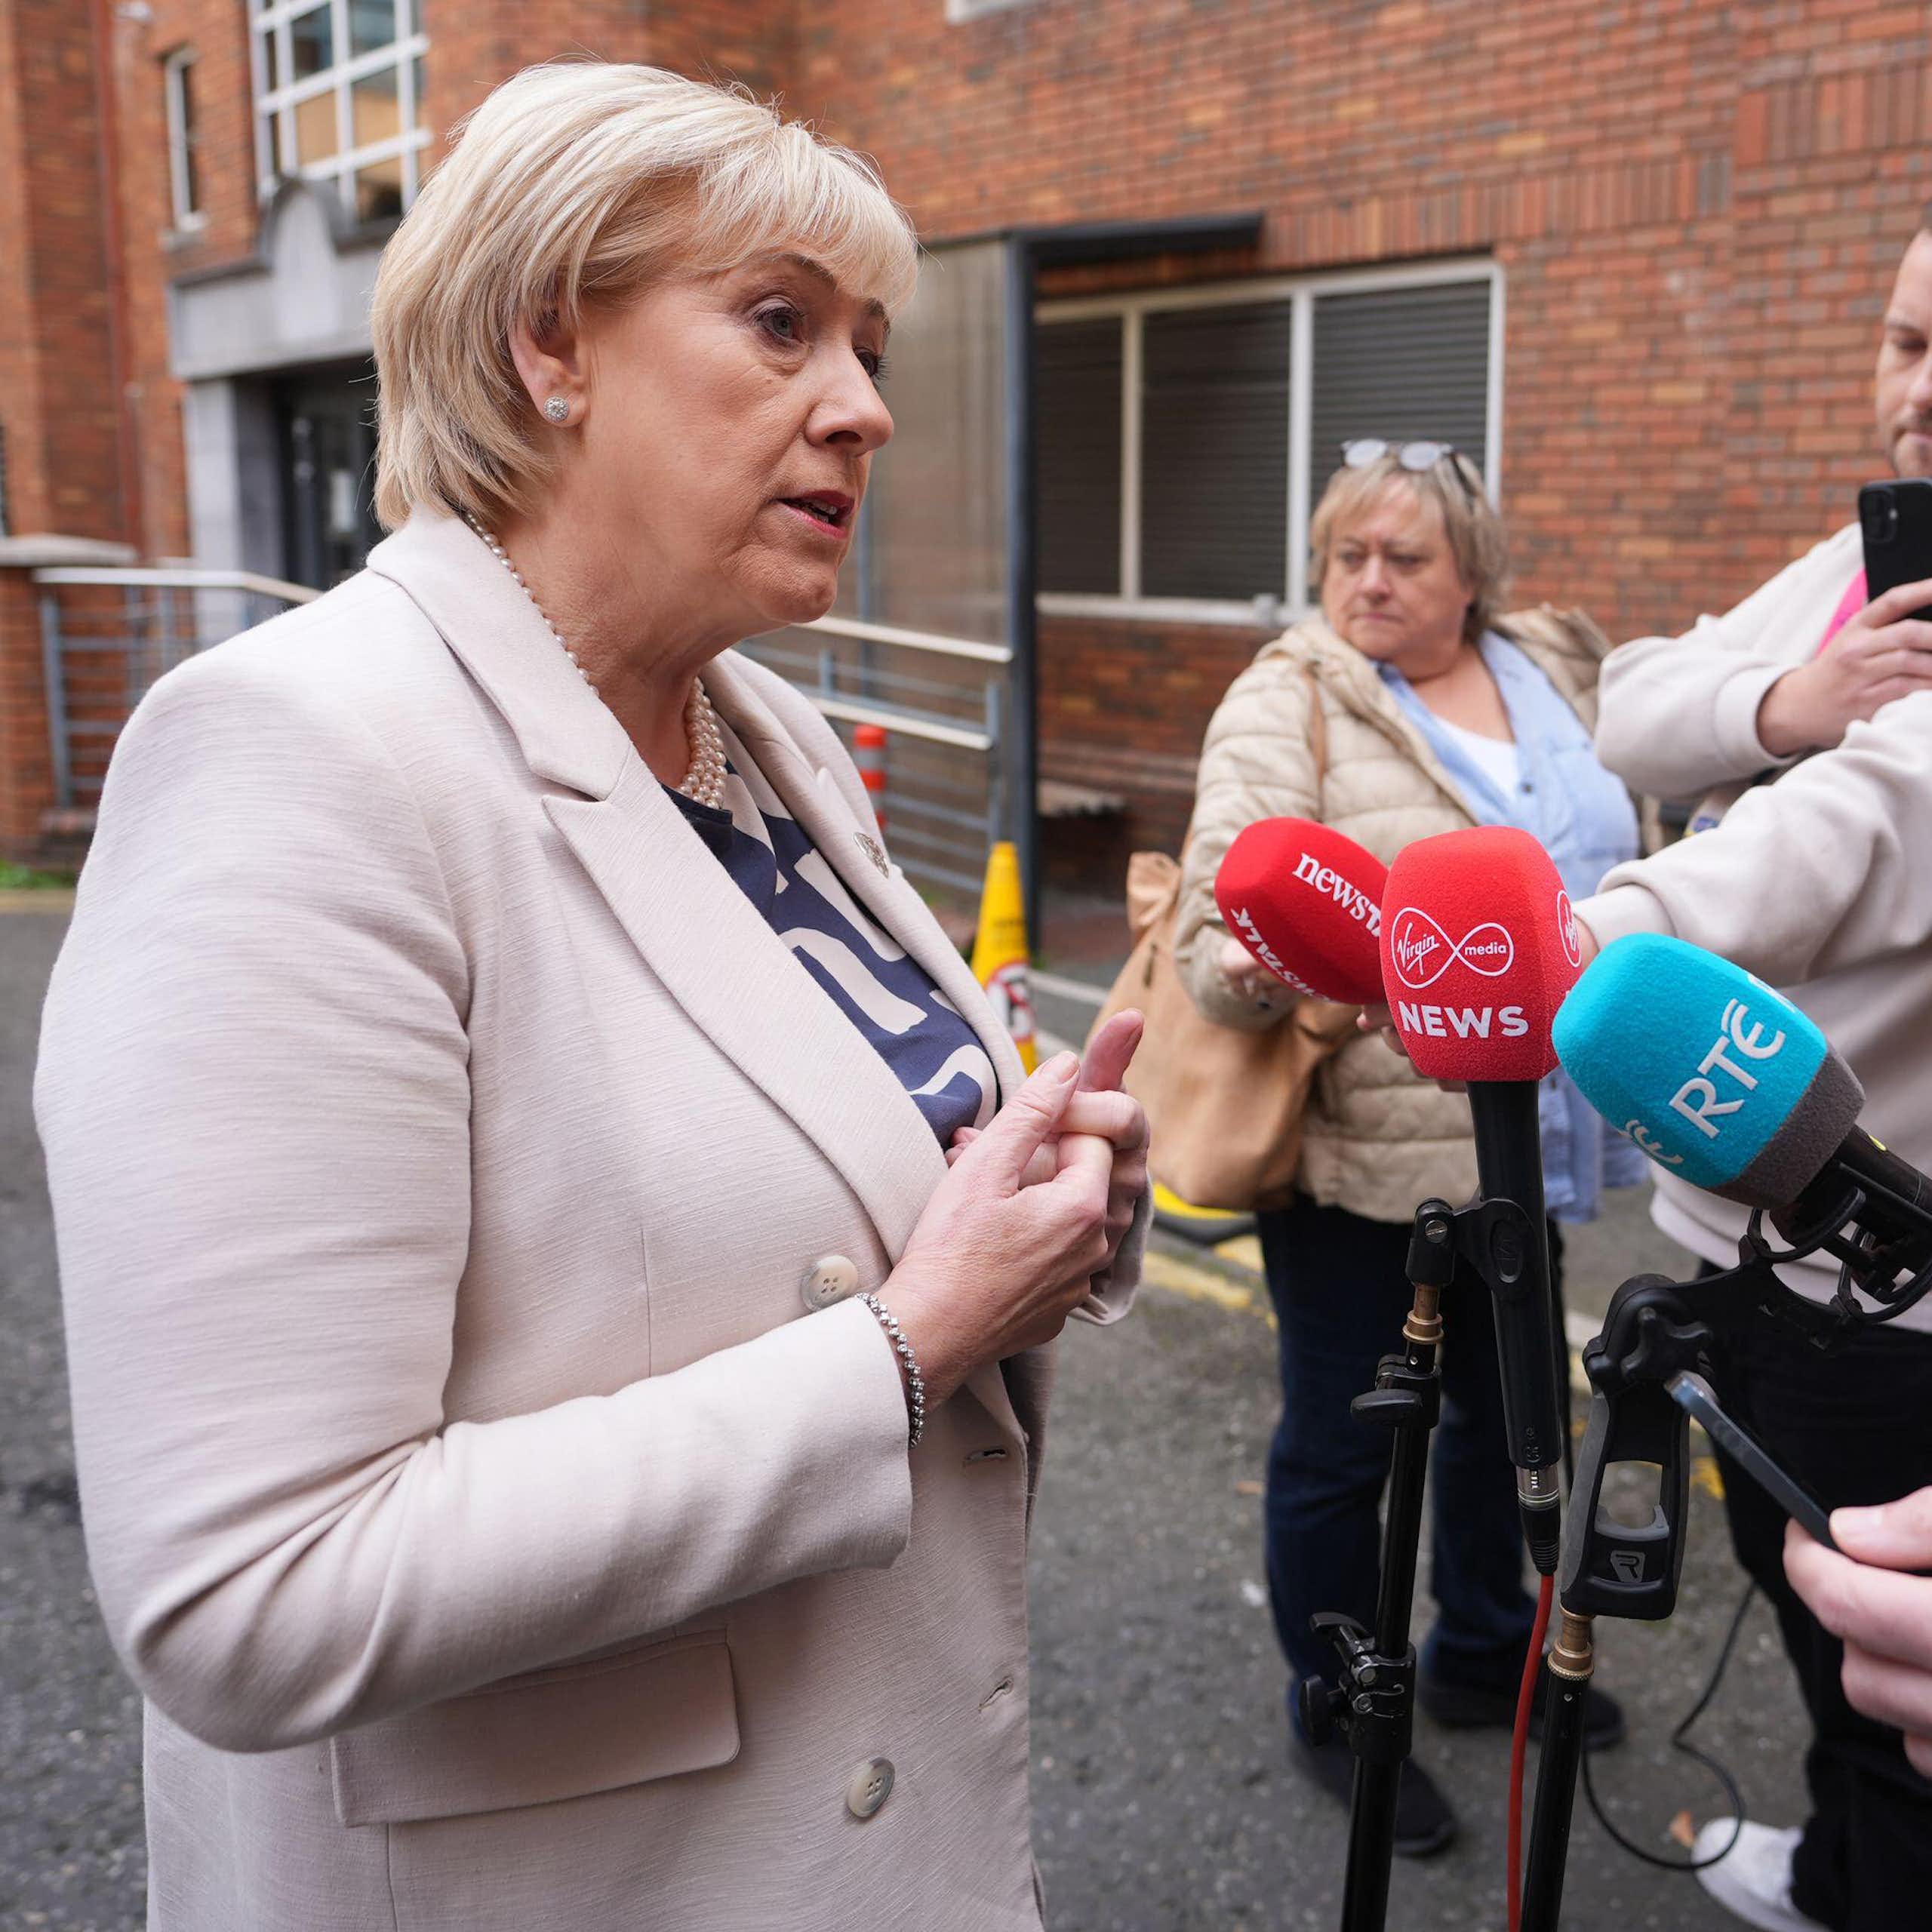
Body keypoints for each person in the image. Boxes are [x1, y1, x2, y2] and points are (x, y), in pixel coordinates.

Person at [33, 63, 1152, 1932]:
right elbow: (252, 1591)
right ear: (547, 341)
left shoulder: (764, 726)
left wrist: (1026, 1191)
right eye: (780, 321)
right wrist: (902, 1344)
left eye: (869, 344)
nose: (864, 405)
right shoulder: (299, 753)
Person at [1171, 441, 1636, 1857]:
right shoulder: (1290, 694)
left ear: (1475, 576)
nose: (1369, 583)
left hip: (1529, 1143)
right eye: (1346, 557)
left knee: (1514, 1432)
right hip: (1368, 1162)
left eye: (1406, 558)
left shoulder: (1556, 670)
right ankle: (1343, 1706)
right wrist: (1279, 954)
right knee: (1349, 1450)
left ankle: (1485, 1653)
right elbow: (1216, 935)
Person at [1574, 212, 1932, 1932]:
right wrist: (1790, 695)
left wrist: (1581, 942)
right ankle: (1842, 1855)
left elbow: (1842, 833)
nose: (1917, 393)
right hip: (1730, 1234)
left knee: (1890, 1660)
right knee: (1802, 1621)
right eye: (1902, 341)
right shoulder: (1855, 567)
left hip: (1879, 1295)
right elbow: (1626, 704)